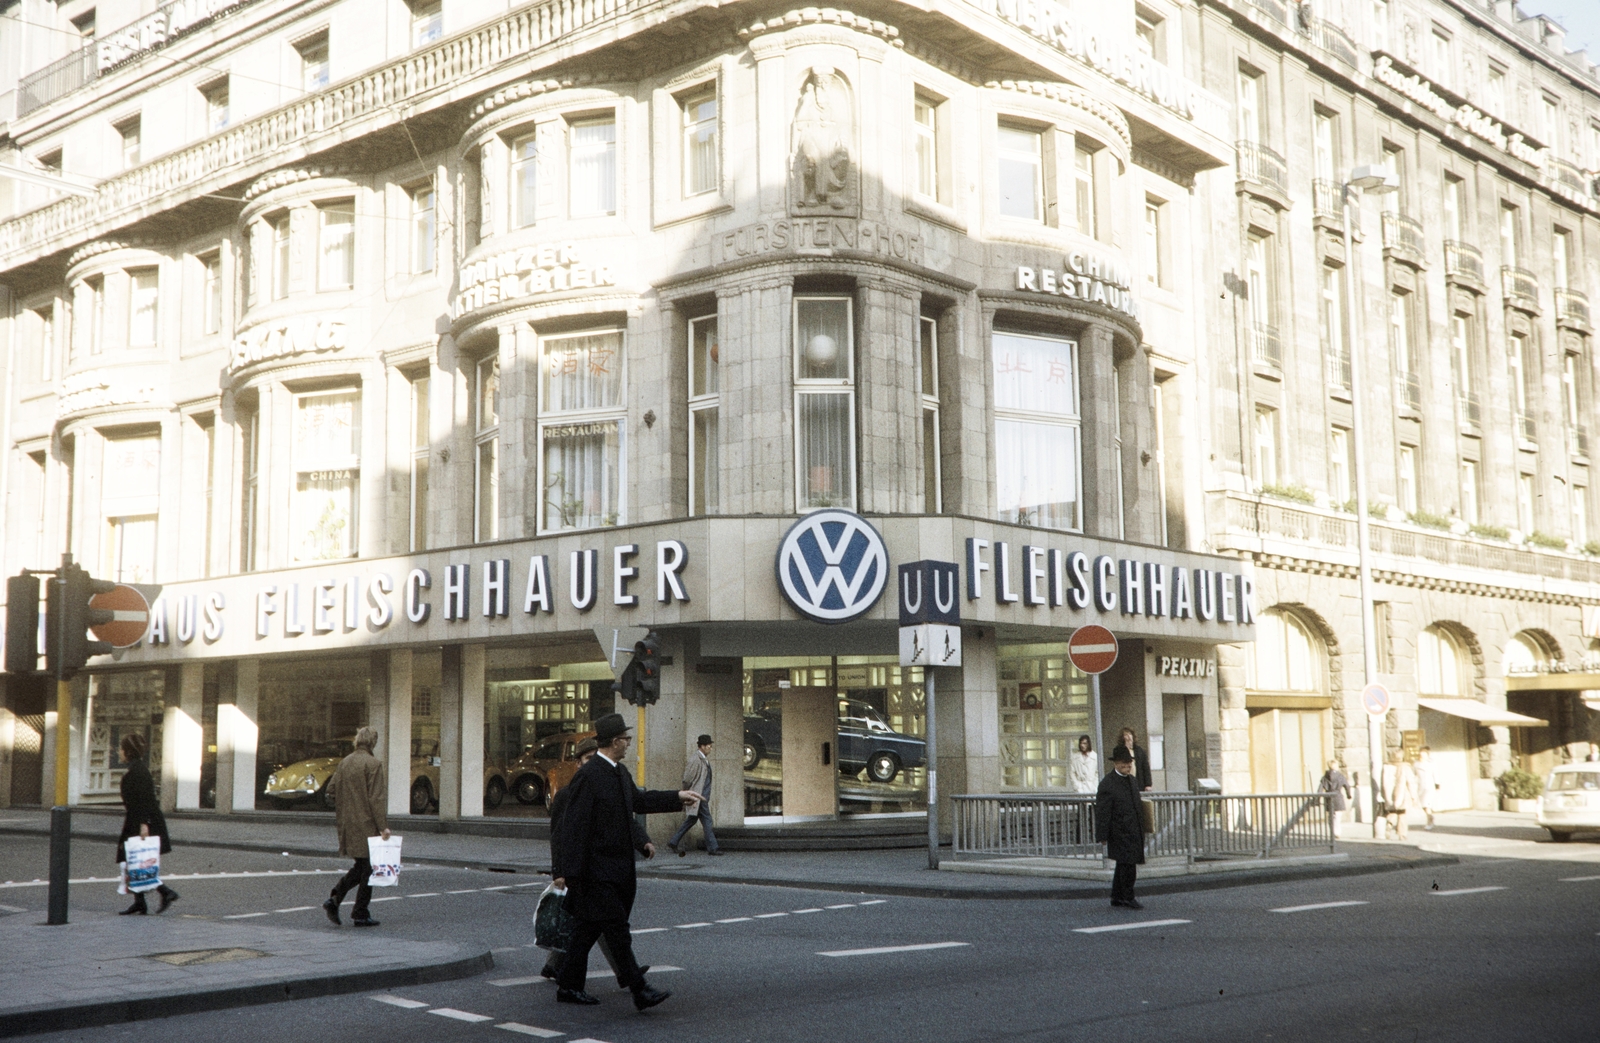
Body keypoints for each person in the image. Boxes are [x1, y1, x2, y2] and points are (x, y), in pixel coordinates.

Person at [550, 713, 702, 1010]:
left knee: (587, 930)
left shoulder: (619, 773)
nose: (629, 743)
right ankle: (639, 989)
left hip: (618, 868)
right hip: (596, 872)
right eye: (626, 739)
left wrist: (676, 797)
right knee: (617, 930)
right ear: (615, 742)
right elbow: (574, 826)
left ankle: (568, 985)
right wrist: (566, 871)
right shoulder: (589, 775)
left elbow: (637, 802)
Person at [542, 737, 647, 989]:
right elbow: (561, 835)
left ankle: (558, 969)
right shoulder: (567, 795)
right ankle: (629, 976)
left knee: (586, 927)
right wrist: (560, 871)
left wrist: (642, 841)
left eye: (594, 757)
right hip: (586, 871)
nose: (592, 763)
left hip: (598, 870)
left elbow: (627, 818)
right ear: (578, 763)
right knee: (605, 926)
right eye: (587, 759)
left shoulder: (611, 781)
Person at [322, 726, 389, 928]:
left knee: (362, 866)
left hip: (347, 824)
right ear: (372, 743)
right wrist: (383, 827)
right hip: (367, 824)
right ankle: (360, 912)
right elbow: (376, 799)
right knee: (369, 869)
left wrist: (347, 804)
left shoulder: (344, 763)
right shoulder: (373, 764)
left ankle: (335, 898)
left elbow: (330, 792)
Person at [116, 733, 179, 915]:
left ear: (128, 752)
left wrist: (144, 825)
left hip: (141, 821)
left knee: (137, 860)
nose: (119, 752)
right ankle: (140, 901)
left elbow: (145, 800)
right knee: (134, 860)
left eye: (121, 749)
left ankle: (165, 892)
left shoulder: (138, 772)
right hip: (136, 820)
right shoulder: (136, 769)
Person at [1096, 746, 1146, 909]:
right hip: (1118, 830)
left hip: (1133, 829)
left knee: (1124, 864)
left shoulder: (1131, 780)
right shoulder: (1107, 783)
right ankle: (1128, 896)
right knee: (1128, 864)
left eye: (1129, 763)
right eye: (1124, 763)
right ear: (1116, 763)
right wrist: (1102, 835)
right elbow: (1102, 811)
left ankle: (1117, 896)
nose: (1128, 766)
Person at [669, 735, 721, 857]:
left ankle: (673, 841)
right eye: (709, 746)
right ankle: (713, 848)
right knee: (707, 820)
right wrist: (687, 793)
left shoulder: (703, 759)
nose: (710, 748)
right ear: (702, 746)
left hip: (701, 796)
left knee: (691, 820)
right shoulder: (695, 759)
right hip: (698, 796)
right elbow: (687, 778)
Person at [1381, 751, 1418, 841]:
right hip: (1402, 794)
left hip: (1389, 794)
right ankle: (1402, 834)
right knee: (1402, 814)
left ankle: (1389, 825)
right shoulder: (1405, 767)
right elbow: (1411, 782)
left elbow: (1382, 782)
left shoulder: (1386, 767)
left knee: (1392, 812)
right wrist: (1414, 796)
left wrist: (1383, 795)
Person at [1318, 759, 1352, 839]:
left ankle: (1332, 831)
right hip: (1338, 796)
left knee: (1330, 816)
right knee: (1337, 816)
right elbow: (1347, 786)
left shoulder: (1325, 777)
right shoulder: (1340, 776)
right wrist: (1348, 795)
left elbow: (1320, 788)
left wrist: (1317, 798)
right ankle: (1337, 832)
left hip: (1328, 796)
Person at [1112, 727, 1153, 792]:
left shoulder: (1139, 750)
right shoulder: (1118, 750)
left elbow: (1146, 767)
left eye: (1130, 734)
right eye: (1126, 735)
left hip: (1138, 782)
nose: (1128, 737)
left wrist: (1148, 784)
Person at [1414, 746, 1439, 831]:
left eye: (1424, 753)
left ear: (1427, 754)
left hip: (1429, 786)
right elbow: (1413, 774)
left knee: (1426, 804)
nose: (1422, 754)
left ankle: (1430, 821)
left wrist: (1437, 783)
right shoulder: (1416, 763)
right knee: (1424, 805)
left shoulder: (1431, 763)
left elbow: (1435, 773)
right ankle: (1430, 817)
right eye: (1421, 753)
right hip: (1420, 786)